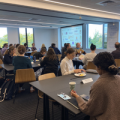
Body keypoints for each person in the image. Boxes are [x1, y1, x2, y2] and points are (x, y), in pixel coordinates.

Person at [71, 52, 120, 120]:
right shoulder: (118, 78)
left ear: (99, 67)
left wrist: (77, 97)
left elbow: (88, 110)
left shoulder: (99, 85)